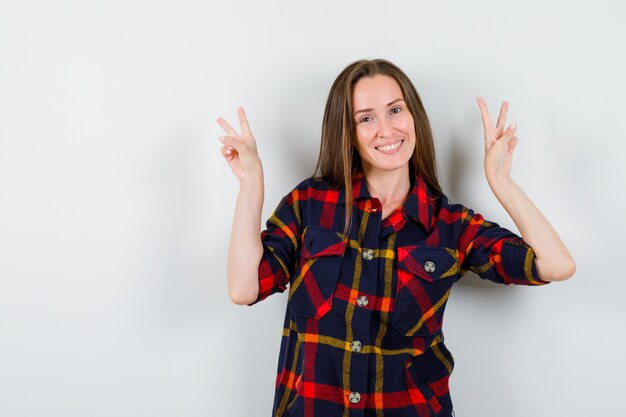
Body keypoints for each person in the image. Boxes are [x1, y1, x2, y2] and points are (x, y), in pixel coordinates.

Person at [216, 59, 575, 417]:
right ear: (348, 132)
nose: (386, 130)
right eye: (366, 118)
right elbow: (244, 287)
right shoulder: (310, 205)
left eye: (395, 110)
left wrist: (502, 182)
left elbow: (556, 265)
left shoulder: (450, 225)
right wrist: (251, 185)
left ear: (413, 116)